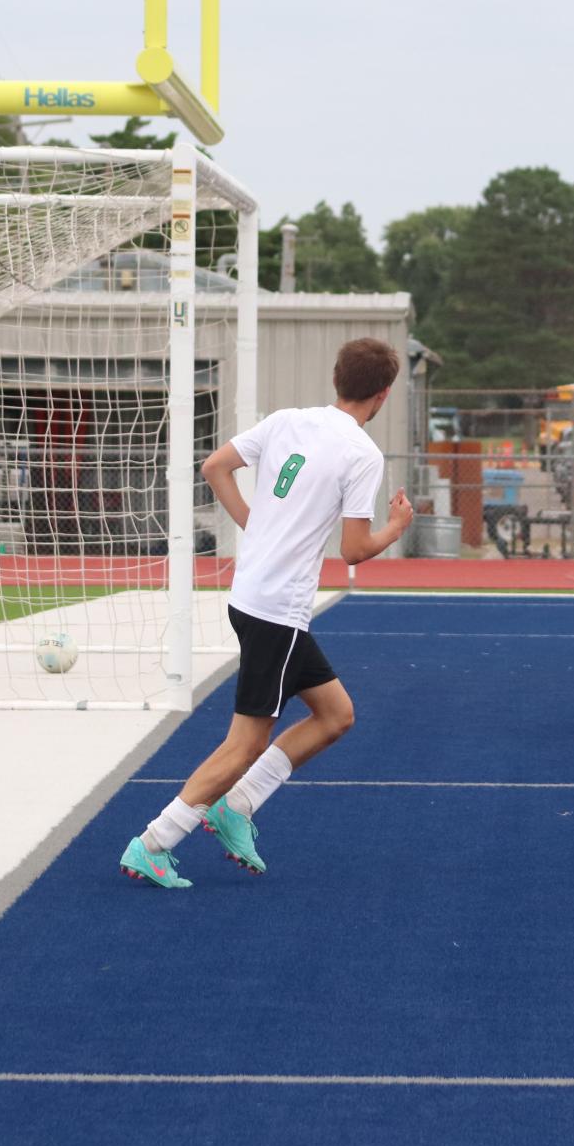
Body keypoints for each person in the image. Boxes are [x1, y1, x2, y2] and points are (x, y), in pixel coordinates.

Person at [121, 338, 413, 889]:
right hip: (277, 608)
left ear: (335, 378)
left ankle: (240, 805)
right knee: (247, 742)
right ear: (383, 395)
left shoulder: (286, 420)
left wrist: (255, 526)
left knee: (336, 715)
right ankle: (155, 840)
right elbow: (353, 550)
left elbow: (214, 467)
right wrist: (397, 527)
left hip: (251, 596)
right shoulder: (362, 453)